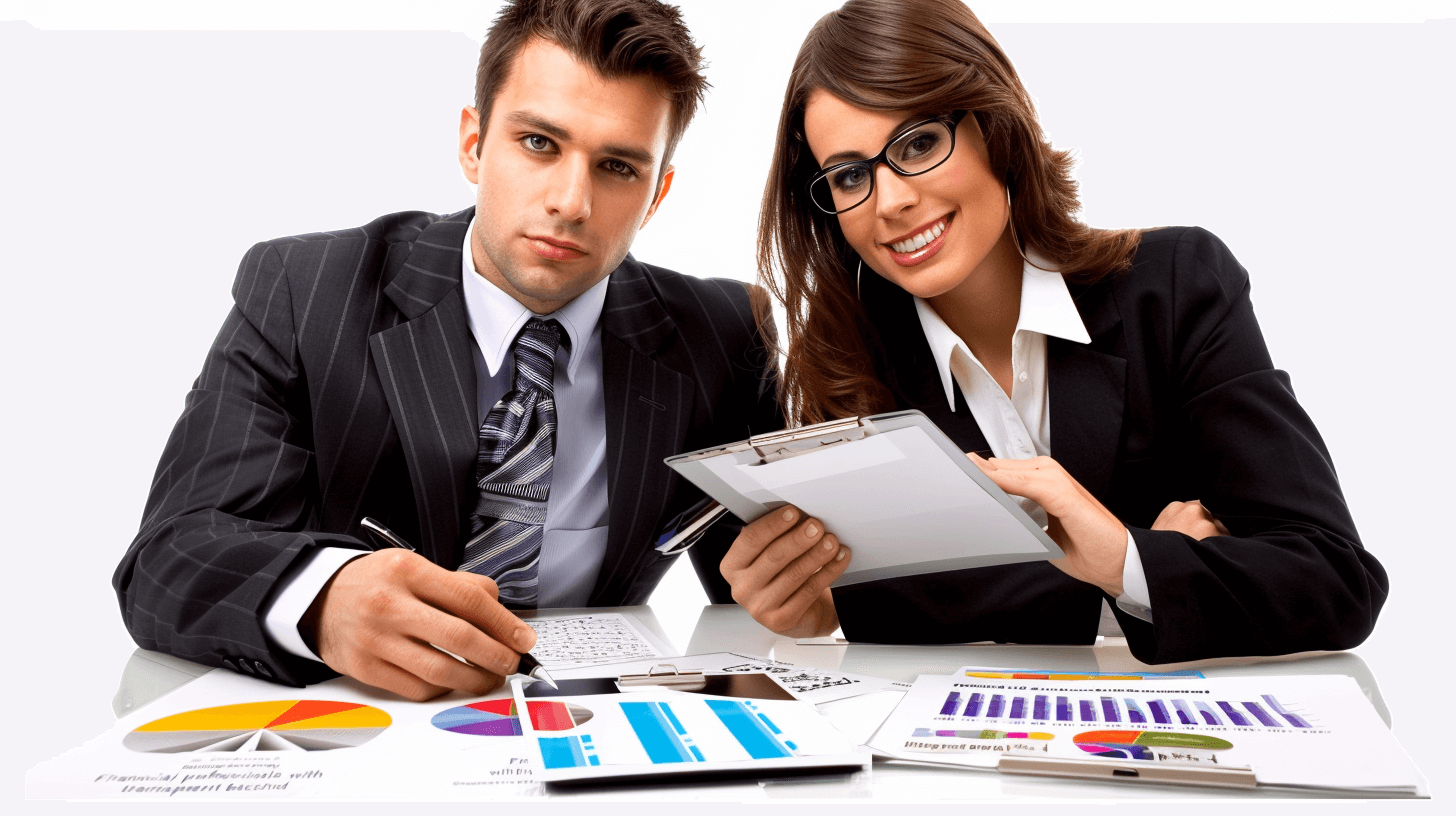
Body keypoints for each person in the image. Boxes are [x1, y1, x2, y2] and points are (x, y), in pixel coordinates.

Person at [113, 0, 779, 701]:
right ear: (473, 144)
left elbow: (754, 578)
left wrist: (808, 589)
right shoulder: (307, 293)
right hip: (356, 732)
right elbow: (168, 556)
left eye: (617, 166)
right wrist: (323, 599)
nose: (571, 201)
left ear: (658, 194)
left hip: (594, 734)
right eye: (539, 143)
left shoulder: (725, 332)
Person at [717, 0, 1388, 664]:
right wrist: (1143, 567)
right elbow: (880, 601)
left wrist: (1122, 559)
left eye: (919, 142)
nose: (890, 202)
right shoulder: (843, 360)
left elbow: (1333, 579)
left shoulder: (1177, 286)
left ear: (995, 127)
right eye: (850, 175)